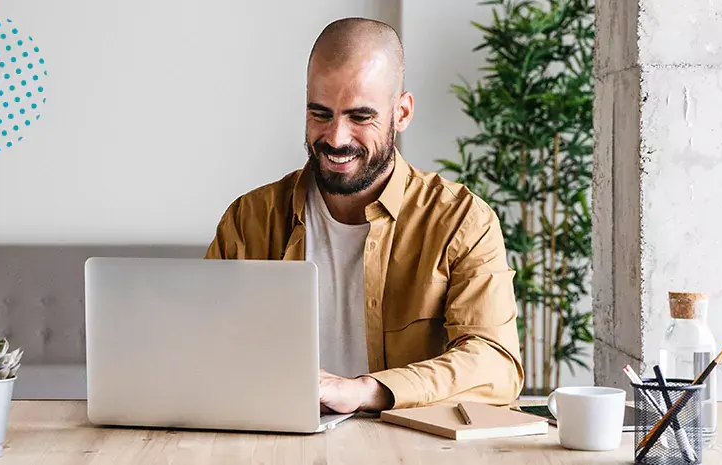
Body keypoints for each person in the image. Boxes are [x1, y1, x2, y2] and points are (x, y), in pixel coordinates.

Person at [205, 17, 523, 414]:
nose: (336, 139)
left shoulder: (462, 221)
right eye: (321, 114)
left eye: (360, 117)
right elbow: (204, 352)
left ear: (401, 113)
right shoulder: (248, 220)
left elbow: (496, 366)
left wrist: (365, 391)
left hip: (409, 450)